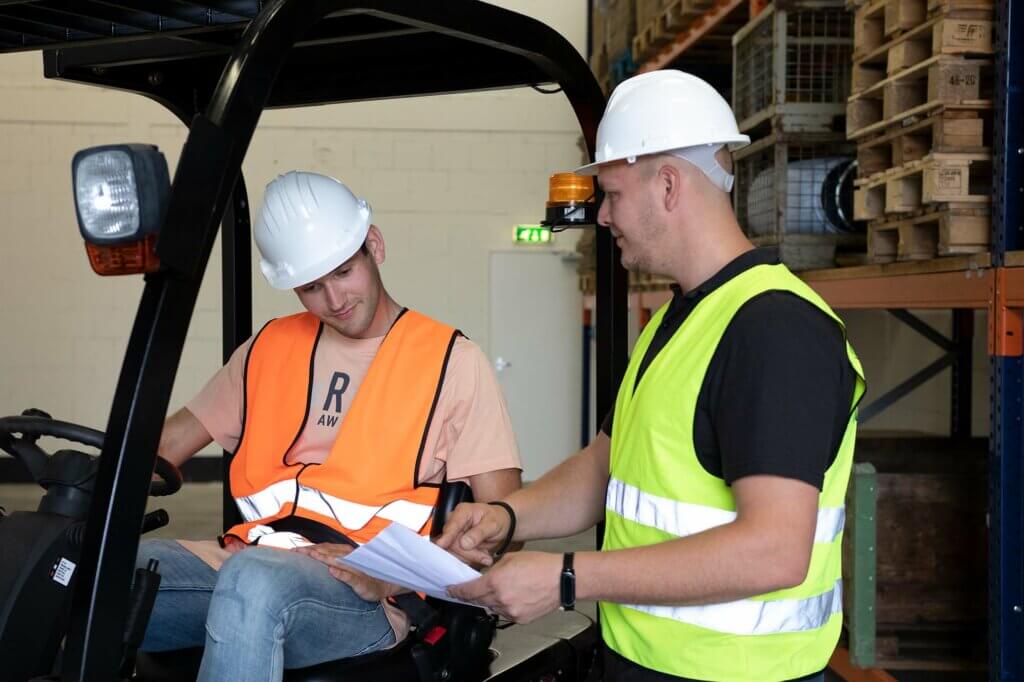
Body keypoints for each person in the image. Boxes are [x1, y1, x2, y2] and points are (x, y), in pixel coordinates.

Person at [438, 70, 866, 682]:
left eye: (611, 193)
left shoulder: (776, 329)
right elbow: (608, 466)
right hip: (642, 661)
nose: (604, 216)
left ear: (668, 184)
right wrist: (508, 517)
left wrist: (565, 578)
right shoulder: (675, 318)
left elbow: (774, 549)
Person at [136, 171, 522, 680]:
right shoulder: (268, 349)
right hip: (249, 560)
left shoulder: (452, 361)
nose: (334, 300)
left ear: (374, 246)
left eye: (343, 272)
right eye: (312, 286)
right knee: (88, 569)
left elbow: (506, 526)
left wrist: (387, 574)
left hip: (368, 590)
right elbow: (167, 445)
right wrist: (84, 487)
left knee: (253, 583)